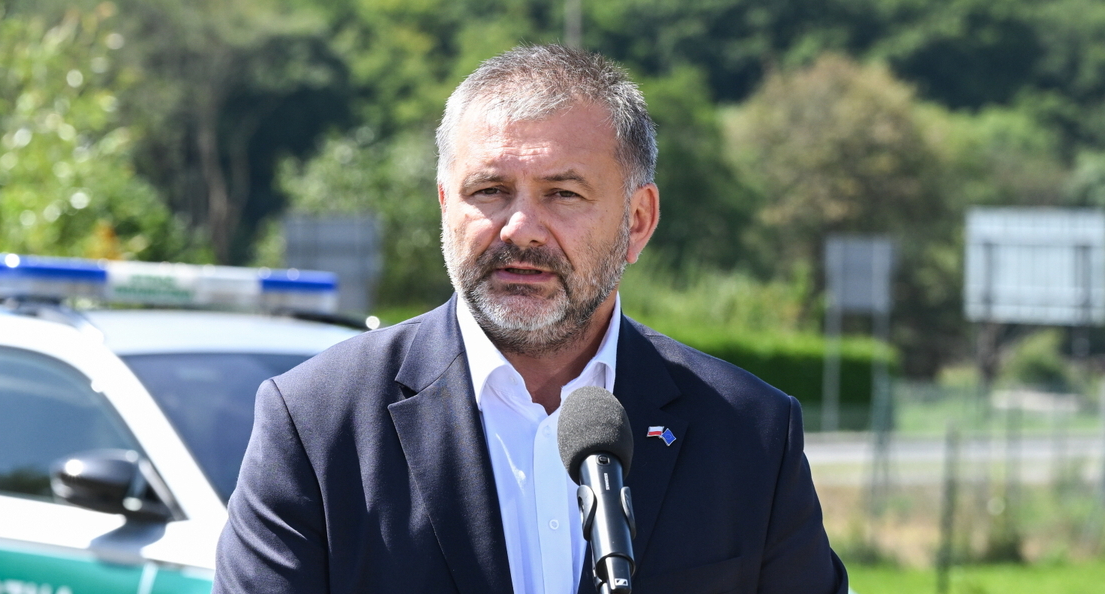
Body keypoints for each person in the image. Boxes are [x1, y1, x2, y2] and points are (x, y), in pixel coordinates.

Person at [213, 44, 848, 593]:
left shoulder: (750, 433)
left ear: (638, 221)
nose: (520, 229)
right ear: (445, 206)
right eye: (489, 191)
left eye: (562, 194)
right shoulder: (316, 424)